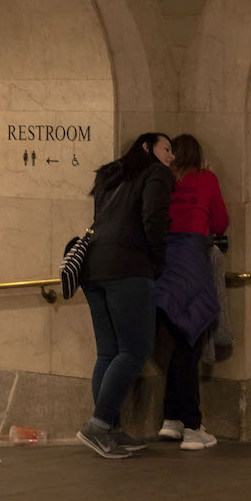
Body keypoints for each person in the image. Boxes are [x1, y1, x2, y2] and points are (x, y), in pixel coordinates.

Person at [77, 132, 174, 459]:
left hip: (93, 267)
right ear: (147, 147)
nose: (171, 156)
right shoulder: (156, 173)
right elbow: (153, 219)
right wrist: (157, 259)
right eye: (167, 148)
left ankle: (111, 430)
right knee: (135, 350)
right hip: (127, 269)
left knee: (108, 353)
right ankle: (99, 426)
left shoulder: (111, 175)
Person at [155, 134, 229, 451]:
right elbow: (222, 223)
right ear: (198, 156)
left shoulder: (161, 182)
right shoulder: (207, 179)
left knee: (179, 346)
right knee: (191, 349)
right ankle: (193, 428)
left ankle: (171, 420)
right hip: (191, 266)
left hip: (162, 270)